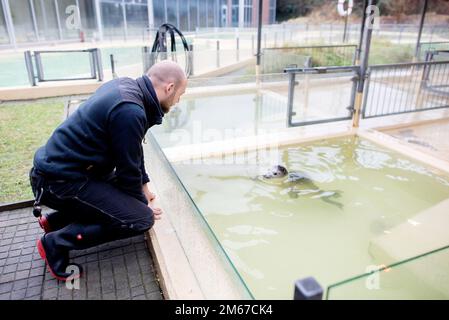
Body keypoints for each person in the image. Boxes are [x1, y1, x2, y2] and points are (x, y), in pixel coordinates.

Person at [29, 60, 187, 281]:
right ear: (169, 88)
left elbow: (132, 149)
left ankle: (55, 221)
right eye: (179, 95)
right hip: (59, 182)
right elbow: (127, 170)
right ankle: (55, 243)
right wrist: (139, 208)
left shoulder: (125, 88)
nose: (177, 101)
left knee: (127, 203)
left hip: (66, 173)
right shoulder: (130, 111)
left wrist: (143, 186)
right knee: (139, 220)